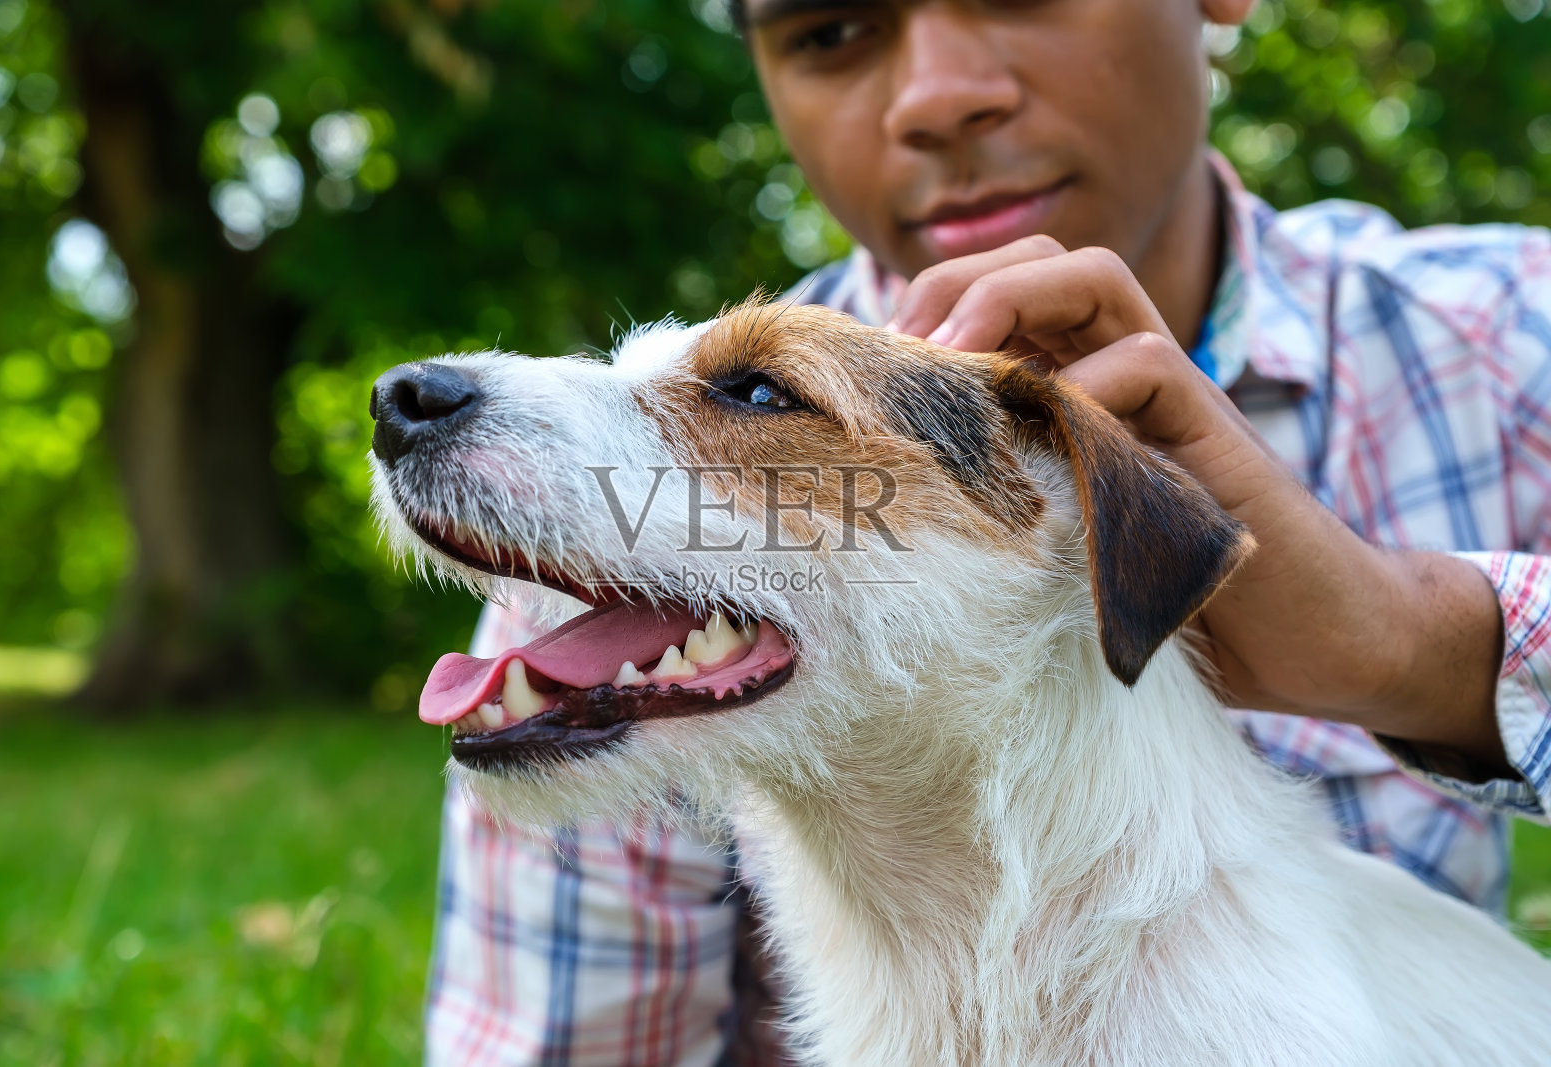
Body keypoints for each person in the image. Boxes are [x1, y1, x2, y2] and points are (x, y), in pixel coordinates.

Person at [423, 0, 1551, 1062]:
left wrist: (1418, 644)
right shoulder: (607, 562)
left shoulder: (1508, 336)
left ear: (1068, 513)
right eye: (832, 28)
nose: (938, 97)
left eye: (761, 396)